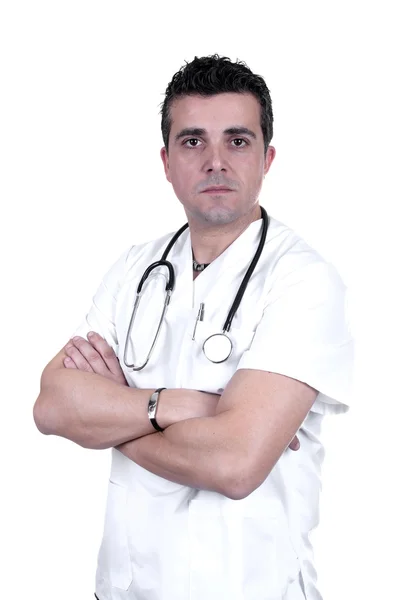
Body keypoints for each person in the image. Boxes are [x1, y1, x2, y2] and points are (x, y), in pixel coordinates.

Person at [33, 54, 354, 600]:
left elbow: (234, 464)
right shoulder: (135, 269)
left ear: (267, 157)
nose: (214, 162)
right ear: (165, 161)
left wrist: (119, 415)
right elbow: (53, 407)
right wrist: (178, 406)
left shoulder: (303, 280)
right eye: (192, 142)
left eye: (237, 140)